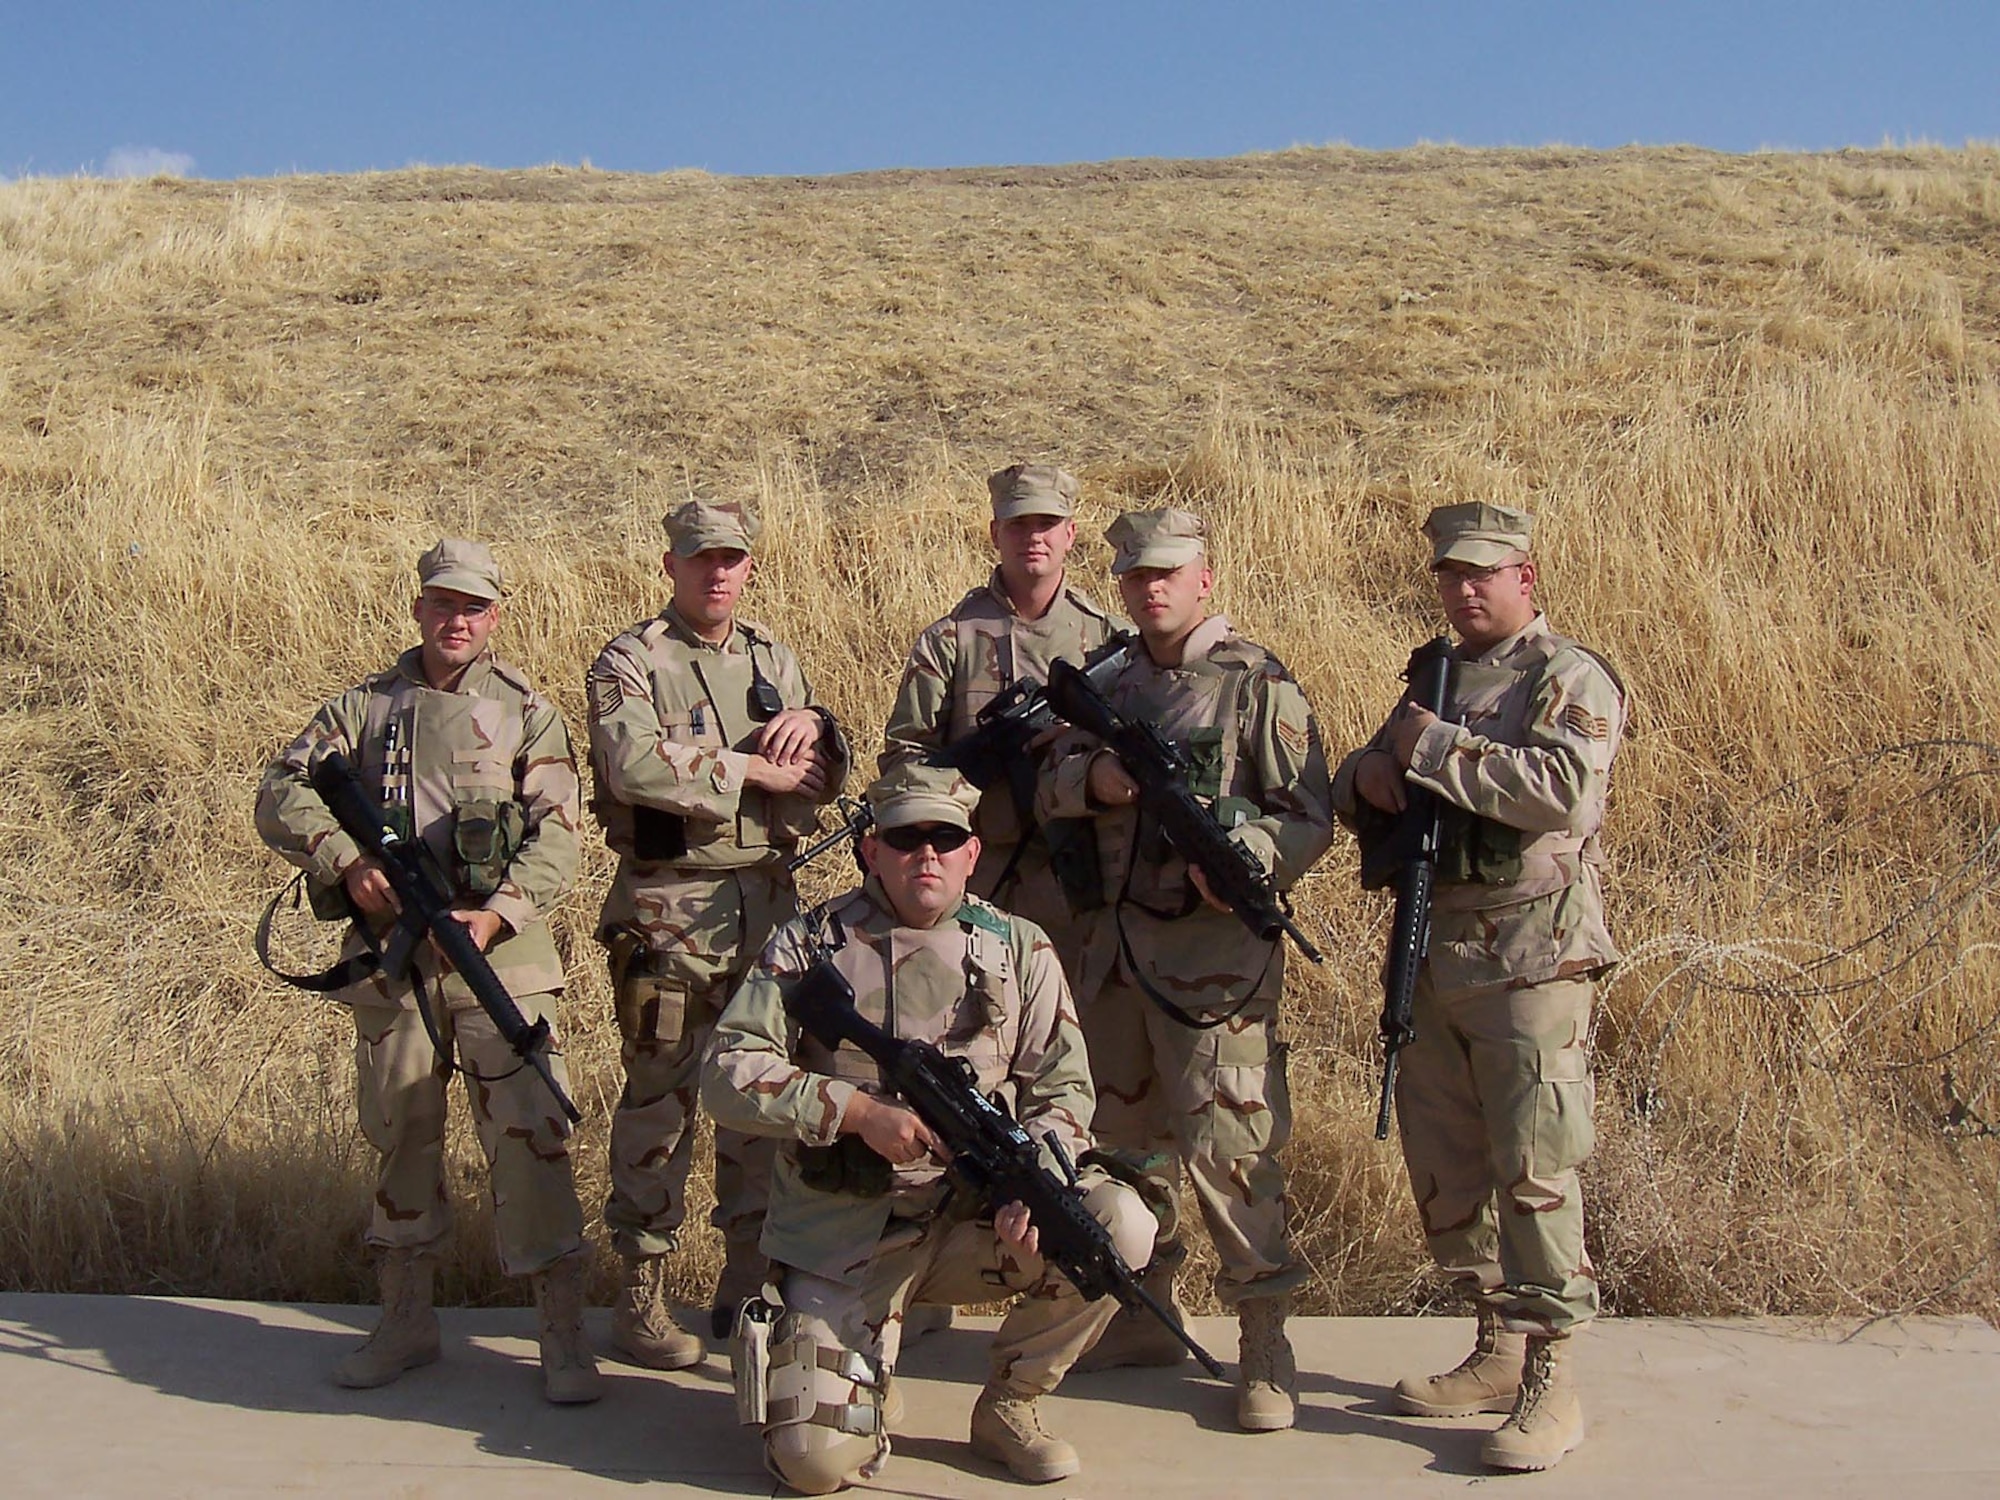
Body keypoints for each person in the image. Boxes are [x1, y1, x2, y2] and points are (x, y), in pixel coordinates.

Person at [701, 764, 1155, 1493]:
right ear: (871, 849)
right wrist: (855, 1112)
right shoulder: (811, 943)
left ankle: (1012, 1403)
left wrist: (1035, 1180)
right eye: (906, 837)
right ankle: (856, 1376)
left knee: (1117, 1229)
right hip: (848, 1233)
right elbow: (726, 1072)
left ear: (972, 852)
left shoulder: (1018, 948)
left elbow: (1063, 1090)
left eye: (946, 838)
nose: (927, 854)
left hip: (972, 1225)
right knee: (814, 1468)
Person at [254, 538, 599, 1403]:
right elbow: (279, 790)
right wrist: (344, 860)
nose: (458, 620)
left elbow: (560, 833)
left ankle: (560, 1337)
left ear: (494, 616)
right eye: (444, 603)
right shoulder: (363, 709)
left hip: (499, 959)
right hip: (393, 959)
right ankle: (405, 1320)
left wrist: (498, 914)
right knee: (399, 1131)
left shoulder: (526, 711)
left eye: (474, 607)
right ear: (419, 608)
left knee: (531, 1134)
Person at [1331, 501, 1626, 1473]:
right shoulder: (1435, 674)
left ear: (1523, 578)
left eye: (1481, 573)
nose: (1463, 590)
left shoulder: (1565, 677)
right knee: (1445, 1165)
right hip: (1434, 953)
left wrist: (1423, 753)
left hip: (1529, 961)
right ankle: (1496, 1340)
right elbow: (1365, 769)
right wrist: (1367, 773)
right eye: (1449, 575)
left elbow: (1557, 791)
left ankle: (1553, 1376)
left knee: (1535, 1169)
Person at [1036, 507, 1334, 1432]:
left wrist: (1240, 848)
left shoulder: (1256, 684)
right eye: (1135, 576)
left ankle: (1264, 1340)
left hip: (1213, 967)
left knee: (1232, 1153)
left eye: (1168, 572)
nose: (1151, 588)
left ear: (1205, 578)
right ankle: (1145, 1314)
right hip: (1114, 955)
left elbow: (1308, 815)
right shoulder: (1105, 683)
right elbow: (1044, 785)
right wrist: (1100, 783)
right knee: (1124, 1146)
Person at [586, 497, 849, 1367]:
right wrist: (747, 768)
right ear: (672, 565)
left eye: (732, 558)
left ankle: (747, 1281)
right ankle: (641, 1290)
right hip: (669, 914)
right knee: (661, 1101)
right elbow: (632, 764)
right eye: (702, 558)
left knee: (758, 1098)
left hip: (767, 908)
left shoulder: (773, 658)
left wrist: (817, 731)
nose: (718, 572)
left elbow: (818, 775)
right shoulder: (630, 661)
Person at [881, 462, 1117, 971]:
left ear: (1070, 534)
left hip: (1077, 867)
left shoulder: (1107, 641)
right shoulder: (950, 639)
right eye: (1017, 524)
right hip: (975, 870)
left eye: (1047, 524)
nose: (1033, 537)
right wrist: (963, 787)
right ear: (995, 533)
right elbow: (905, 757)